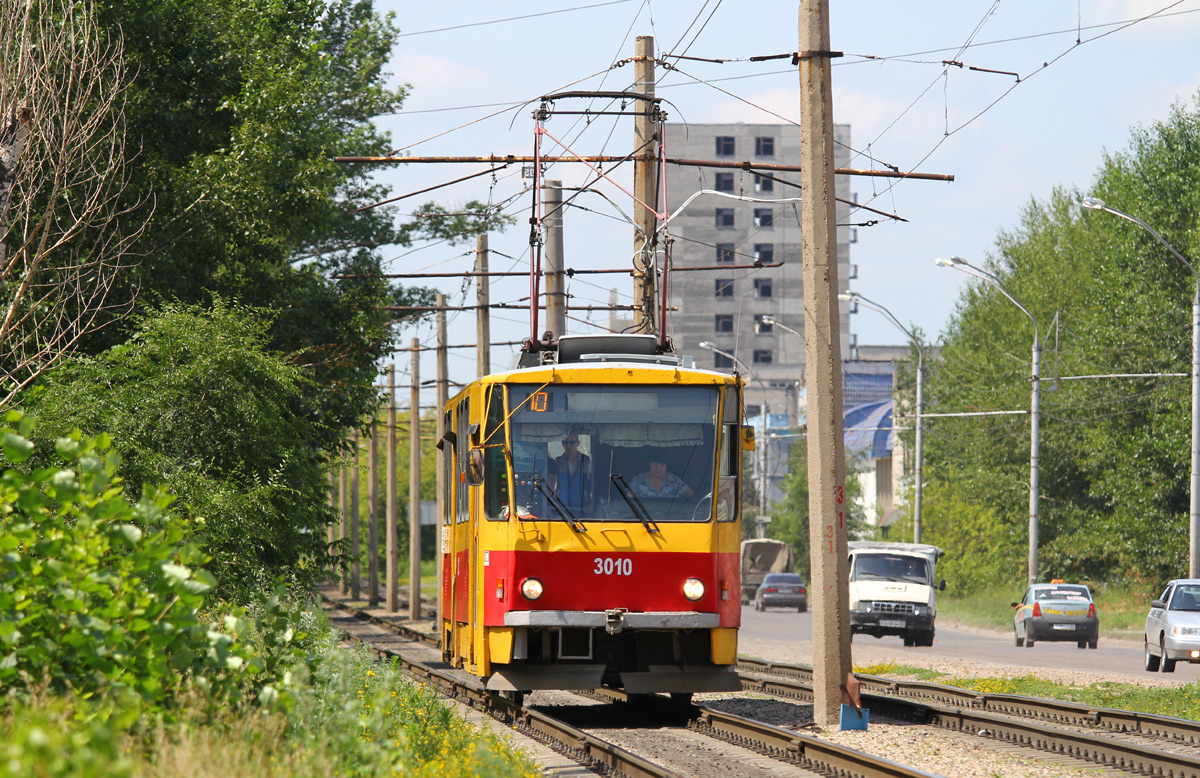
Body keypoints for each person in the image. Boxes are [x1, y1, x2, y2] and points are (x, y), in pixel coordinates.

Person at [547, 433, 592, 512]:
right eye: (565, 443)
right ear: (562, 444)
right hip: (561, 510)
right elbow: (552, 486)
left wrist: (591, 504)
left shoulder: (586, 462)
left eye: (572, 443)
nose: (568, 446)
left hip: (583, 509)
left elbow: (592, 485)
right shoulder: (558, 462)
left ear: (578, 443)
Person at [627, 450, 693, 499]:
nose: (658, 468)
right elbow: (630, 502)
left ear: (666, 466)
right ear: (649, 464)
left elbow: (691, 496)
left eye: (662, 465)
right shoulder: (638, 480)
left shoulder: (674, 480)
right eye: (655, 464)